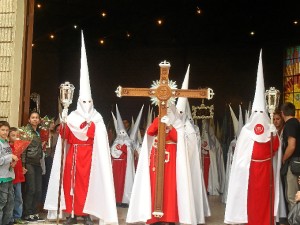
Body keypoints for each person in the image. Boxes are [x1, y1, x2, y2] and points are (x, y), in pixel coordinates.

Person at [44, 32, 118, 225]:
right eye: (82, 101)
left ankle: (85, 214)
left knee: (86, 185)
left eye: (88, 101)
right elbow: (65, 136)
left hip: (89, 157)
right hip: (73, 156)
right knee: (70, 185)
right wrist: (64, 121)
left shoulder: (97, 118)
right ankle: (71, 214)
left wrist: (89, 125)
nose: (85, 104)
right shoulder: (72, 116)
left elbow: (98, 137)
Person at [225, 51, 280, 225]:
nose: (258, 116)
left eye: (260, 112)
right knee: (252, 201)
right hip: (251, 172)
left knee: (265, 200)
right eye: (255, 112)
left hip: (266, 170)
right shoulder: (247, 132)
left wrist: (274, 133)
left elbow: (275, 148)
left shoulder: (271, 128)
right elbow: (241, 156)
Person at [21, 111, 44, 222]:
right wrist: (23, 165)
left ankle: (34, 212)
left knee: (38, 190)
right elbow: (23, 149)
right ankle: (27, 213)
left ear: (39, 120)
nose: (35, 119)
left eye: (37, 118)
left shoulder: (38, 132)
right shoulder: (27, 132)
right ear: (29, 120)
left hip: (37, 163)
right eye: (33, 117)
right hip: (29, 162)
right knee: (31, 189)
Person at [111, 105, 135, 207]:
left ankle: (125, 200)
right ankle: (116, 200)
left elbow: (129, 151)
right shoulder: (115, 142)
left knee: (124, 184)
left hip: (125, 167)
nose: (121, 133)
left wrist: (123, 149)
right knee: (116, 183)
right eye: (119, 132)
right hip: (116, 166)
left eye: (123, 132)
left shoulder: (128, 142)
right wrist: (120, 149)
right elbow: (113, 152)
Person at [281, 102, 300, 211]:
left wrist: (284, 158)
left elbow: (291, 146)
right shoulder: (297, 123)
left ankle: (294, 221)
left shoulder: (290, 124)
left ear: (283, 113)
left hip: (293, 163)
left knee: (292, 196)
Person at [0, 121, 18, 225]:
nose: (5, 132)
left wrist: (13, 162)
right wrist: (9, 157)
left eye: (7, 130)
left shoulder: (6, 143)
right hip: (2, 178)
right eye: (2, 130)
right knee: (2, 204)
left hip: (9, 177)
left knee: (10, 204)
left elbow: (7, 160)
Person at [8, 127, 27, 224]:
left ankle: (17, 216)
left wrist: (22, 168)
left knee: (18, 197)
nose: (16, 137)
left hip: (18, 175)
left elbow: (20, 159)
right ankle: (9, 217)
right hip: (10, 175)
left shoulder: (19, 147)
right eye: (13, 135)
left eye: (17, 136)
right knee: (10, 197)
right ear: (9, 137)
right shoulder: (7, 147)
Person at [273, 109, 288, 225]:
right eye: (273, 119)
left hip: (282, 162)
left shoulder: (284, 131)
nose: (275, 121)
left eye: (277, 119)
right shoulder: (273, 132)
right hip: (273, 162)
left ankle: (283, 213)